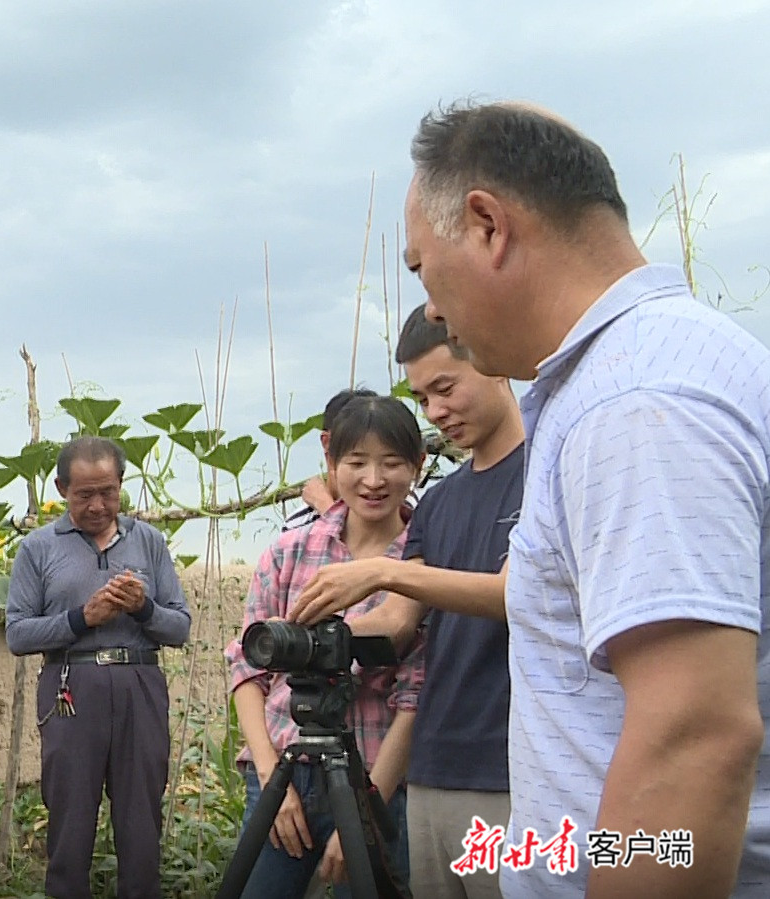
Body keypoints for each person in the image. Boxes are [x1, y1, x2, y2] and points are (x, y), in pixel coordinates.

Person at [404, 100, 770, 897]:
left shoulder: (634, 401)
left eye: (419, 266)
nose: (429, 306)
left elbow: (692, 738)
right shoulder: (650, 370)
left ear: (486, 226)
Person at [289, 306, 523, 899]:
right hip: (432, 769)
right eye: (423, 399)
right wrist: (319, 637)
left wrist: (379, 571)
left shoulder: (545, 470)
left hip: (513, 769)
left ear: (494, 363)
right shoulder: (441, 502)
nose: (436, 411)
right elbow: (397, 623)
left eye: (445, 388)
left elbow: (513, 594)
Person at [225, 395, 424, 897]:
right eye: (356, 463)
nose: (373, 480)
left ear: (417, 467)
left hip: (377, 775)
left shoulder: (423, 563)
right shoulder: (290, 553)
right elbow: (247, 667)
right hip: (283, 775)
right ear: (332, 467)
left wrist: (369, 808)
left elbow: (416, 694)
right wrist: (274, 779)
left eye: (392, 463)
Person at [5, 436, 192, 899]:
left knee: (141, 818)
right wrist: (80, 618)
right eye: (84, 494)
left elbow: (180, 627)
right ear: (61, 488)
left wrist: (143, 608)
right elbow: (18, 634)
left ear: (121, 485)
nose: (97, 505)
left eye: (108, 492)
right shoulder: (39, 548)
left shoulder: (148, 541)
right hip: (71, 688)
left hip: (140, 684)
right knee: (70, 816)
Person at [285, 387, 382, 530]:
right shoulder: (298, 523)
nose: (373, 481)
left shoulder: (397, 512)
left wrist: (325, 506)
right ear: (327, 442)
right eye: (357, 462)